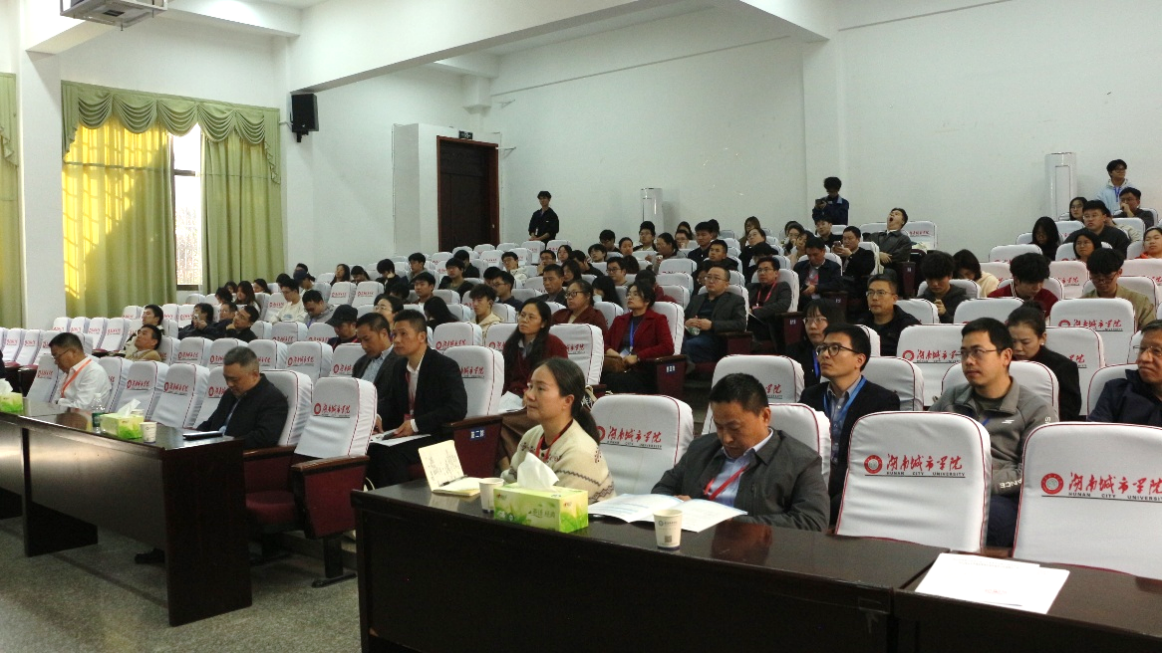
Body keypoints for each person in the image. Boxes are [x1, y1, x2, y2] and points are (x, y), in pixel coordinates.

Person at [930, 318, 1055, 547]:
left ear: (1005, 356)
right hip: (946, 485)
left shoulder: (1036, 410)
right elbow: (924, 441)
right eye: (964, 353)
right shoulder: (950, 398)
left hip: (999, 496)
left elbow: (1033, 472)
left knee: (992, 520)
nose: (968, 361)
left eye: (978, 352)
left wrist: (976, 481)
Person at [652, 373, 828, 530]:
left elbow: (812, 522)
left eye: (734, 428)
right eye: (719, 427)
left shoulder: (801, 461)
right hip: (691, 544)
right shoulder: (701, 448)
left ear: (765, 416)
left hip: (756, 551)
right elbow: (662, 489)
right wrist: (675, 506)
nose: (726, 438)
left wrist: (720, 520)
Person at [799, 324, 898, 524]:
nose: (825, 355)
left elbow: (874, 461)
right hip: (811, 482)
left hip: (856, 487)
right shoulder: (810, 396)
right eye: (822, 348)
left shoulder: (883, 400)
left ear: (859, 360)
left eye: (835, 348)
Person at [366, 310, 468, 487]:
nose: (396, 340)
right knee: (368, 448)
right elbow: (391, 402)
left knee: (388, 455)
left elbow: (456, 408)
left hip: (436, 434)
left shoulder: (444, 366)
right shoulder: (399, 366)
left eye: (403, 334)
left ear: (421, 336)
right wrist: (378, 416)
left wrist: (415, 424)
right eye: (394, 334)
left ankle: (397, 502)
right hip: (407, 435)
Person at [501, 358, 616, 503]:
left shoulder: (579, 452)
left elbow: (561, 508)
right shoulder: (531, 437)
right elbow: (508, 485)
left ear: (567, 401)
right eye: (530, 386)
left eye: (540, 389)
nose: (529, 395)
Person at [196, 345, 289, 449]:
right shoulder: (230, 393)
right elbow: (210, 424)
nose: (229, 384)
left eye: (234, 379)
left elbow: (264, 438)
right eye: (226, 378)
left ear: (254, 375)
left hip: (237, 454)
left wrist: (224, 445)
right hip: (214, 449)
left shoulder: (273, 399)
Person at [1007, 303, 1080, 421]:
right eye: (1013, 341)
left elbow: (1068, 413)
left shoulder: (1063, 367)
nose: (1018, 348)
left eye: (1025, 342)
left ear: (1042, 338)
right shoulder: (1000, 363)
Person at [602, 280, 674, 394]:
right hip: (618, 366)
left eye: (635, 294)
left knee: (614, 380)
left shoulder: (657, 320)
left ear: (647, 300)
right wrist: (612, 353)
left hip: (642, 370)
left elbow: (667, 347)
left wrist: (638, 357)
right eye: (628, 294)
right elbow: (603, 343)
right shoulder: (620, 320)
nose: (630, 297)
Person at [1090, 320, 1162, 425]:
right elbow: (1095, 433)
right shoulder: (1116, 392)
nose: (1143, 358)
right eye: (1142, 349)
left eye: (1156, 351)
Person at [682, 262, 747, 366]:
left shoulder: (735, 300)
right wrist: (686, 322)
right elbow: (682, 318)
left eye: (716, 278)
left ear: (726, 284)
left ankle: (684, 366)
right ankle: (686, 365)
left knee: (687, 345)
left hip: (714, 339)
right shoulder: (696, 299)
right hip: (690, 334)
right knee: (675, 342)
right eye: (708, 277)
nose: (711, 281)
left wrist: (712, 325)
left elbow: (740, 324)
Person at [503, 300, 569, 397]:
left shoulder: (555, 345)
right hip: (511, 396)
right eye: (522, 315)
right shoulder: (511, 344)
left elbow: (561, 379)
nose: (524, 320)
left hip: (541, 396)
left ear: (543, 323)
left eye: (531, 317)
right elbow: (505, 378)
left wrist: (531, 393)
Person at [1082, 248, 1154, 330]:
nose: (1101, 281)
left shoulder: (1140, 302)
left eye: (1107, 276)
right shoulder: (1082, 303)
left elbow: (1151, 333)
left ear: (1119, 272)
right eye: (1095, 276)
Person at [857, 274, 919, 357]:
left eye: (881, 293)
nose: (874, 298)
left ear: (894, 298)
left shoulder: (909, 326)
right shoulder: (862, 324)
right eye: (870, 292)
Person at [786, 299, 844, 387]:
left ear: (834, 321)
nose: (812, 326)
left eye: (819, 320)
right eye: (808, 320)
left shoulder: (845, 353)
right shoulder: (793, 353)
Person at [48, 332, 111, 410]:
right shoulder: (69, 371)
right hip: (64, 415)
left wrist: (60, 402)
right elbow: (54, 402)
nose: (56, 361)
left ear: (73, 352)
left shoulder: (94, 372)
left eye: (57, 356)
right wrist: (64, 402)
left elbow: (80, 408)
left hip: (84, 417)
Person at [988, 252, 1057, 316]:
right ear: (1016, 280)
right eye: (1031, 282)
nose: (1037, 287)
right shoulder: (995, 299)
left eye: (1041, 281)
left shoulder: (1049, 299)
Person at [352, 312, 399, 403]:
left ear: (383, 334)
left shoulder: (401, 362)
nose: (363, 346)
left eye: (367, 339)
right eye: (360, 341)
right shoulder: (360, 363)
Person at [746, 256, 792, 341]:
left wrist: (754, 311)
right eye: (759, 270)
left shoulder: (782, 287)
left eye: (766, 270)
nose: (762, 273)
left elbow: (782, 305)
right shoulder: (751, 287)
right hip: (747, 321)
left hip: (768, 325)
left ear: (776, 273)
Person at [918, 250, 968, 324]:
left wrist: (945, 315)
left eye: (939, 279)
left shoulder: (964, 303)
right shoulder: (920, 302)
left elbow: (967, 327)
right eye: (930, 279)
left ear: (950, 275)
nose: (935, 284)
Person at [1065, 200, 1130, 255]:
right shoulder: (1076, 236)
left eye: (1094, 215)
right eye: (1087, 216)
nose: (1090, 219)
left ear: (1104, 217)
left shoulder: (1118, 235)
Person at [792, 236, 842, 309]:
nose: (812, 258)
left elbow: (837, 284)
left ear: (823, 251)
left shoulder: (833, 267)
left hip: (822, 299)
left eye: (815, 255)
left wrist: (816, 288)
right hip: (801, 299)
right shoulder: (800, 266)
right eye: (809, 255)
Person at [834, 225, 876, 298]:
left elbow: (865, 269)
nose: (846, 241)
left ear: (858, 239)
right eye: (844, 238)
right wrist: (834, 256)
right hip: (839, 282)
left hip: (855, 285)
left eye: (850, 238)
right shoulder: (840, 254)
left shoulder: (867, 253)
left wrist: (850, 255)